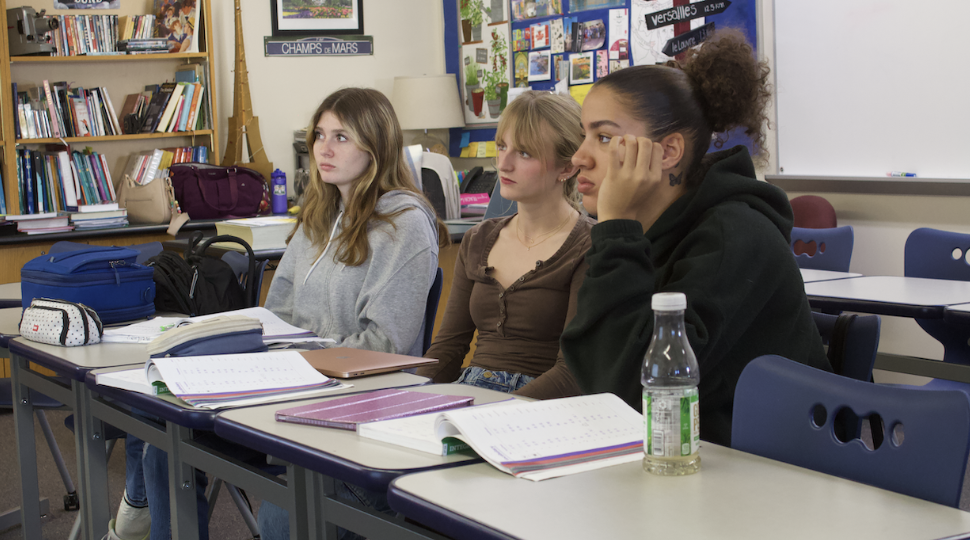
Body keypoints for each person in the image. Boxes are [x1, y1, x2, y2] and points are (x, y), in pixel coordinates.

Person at [560, 29, 831, 447]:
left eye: (605, 136)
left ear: (668, 152)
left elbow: (635, 391)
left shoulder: (734, 235)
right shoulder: (649, 231)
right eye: (585, 135)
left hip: (767, 474)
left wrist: (615, 227)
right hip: (678, 455)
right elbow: (596, 373)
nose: (580, 156)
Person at [255, 86, 448, 540]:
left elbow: (384, 347)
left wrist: (299, 358)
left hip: (362, 409)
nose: (323, 147)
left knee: (283, 516)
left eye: (341, 136)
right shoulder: (321, 213)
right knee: (159, 433)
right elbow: (275, 313)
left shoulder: (403, 222)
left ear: (375, 144)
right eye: (319, 135)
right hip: (296, 390)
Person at [418, 90, 593, 399]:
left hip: (539, 406)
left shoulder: (589, 246)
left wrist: (499, 414)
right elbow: (449, 347)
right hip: (471, 392)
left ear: (567, 168)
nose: (504, 163)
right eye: (502, 147)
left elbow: (573, 372)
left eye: (525, 153)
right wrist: (409, 396)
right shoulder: (478, 239)